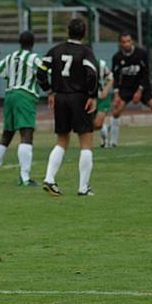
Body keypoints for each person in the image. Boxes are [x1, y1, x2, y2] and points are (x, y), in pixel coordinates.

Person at [37, 18, 99, 197]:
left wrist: (49, 91)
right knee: (86, 143)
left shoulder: (55, 50)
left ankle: (49, 178)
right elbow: (92, 73)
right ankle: (83, 187)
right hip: (79, 98)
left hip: (60, 98)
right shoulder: (86, 52)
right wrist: (92, 95)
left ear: (67, 30)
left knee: (62, 141)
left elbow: (40, 72)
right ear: (84, 32)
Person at [0, 31, 46, 186]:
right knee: (26, 134)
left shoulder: (10, 57)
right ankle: (25, 178)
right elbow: (45, 73)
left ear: (20, 42)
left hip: (10, 95)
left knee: (6, 135)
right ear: (32, 44)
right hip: (25, 96)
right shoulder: (34, 58)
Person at [109, 32, 152, 147]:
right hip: (126, 88)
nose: (127, 44)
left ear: (132, 41)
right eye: (124, 42)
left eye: (128, 41)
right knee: (116, 111)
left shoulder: (141, 53)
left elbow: (146, 73)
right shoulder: (117, 57)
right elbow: (115, 76)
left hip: (143, 87)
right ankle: (113, 143)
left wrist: (139, 91)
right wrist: (116, 94)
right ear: (120, 43)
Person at [94, 58, 114, 148]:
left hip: (102, 97)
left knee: (98, 124)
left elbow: (111, 78)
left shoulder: (101, 64)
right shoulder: (77, 65)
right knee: (92, 125)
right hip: (88, 98)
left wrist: (106, 90)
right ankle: (105, 130)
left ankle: (105, 139)